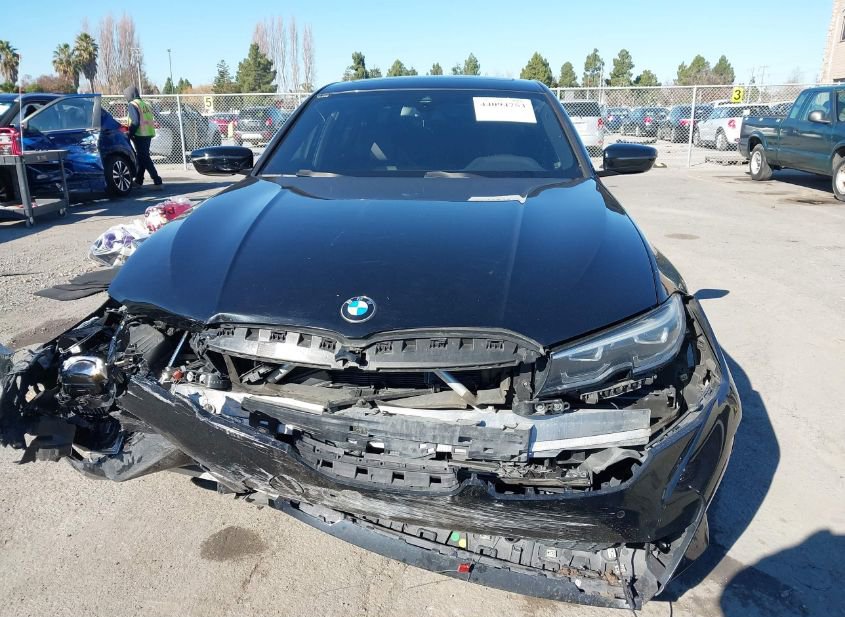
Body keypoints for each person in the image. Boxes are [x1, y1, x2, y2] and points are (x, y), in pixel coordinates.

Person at [123, 85, 162, 188]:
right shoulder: (145, 104)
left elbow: (135, 122)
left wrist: (129, 133)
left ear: (130, 95)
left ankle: (157, 180)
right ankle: (139, 181)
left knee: (144, 158)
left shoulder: (133, 104)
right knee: (141, 158)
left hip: (139, 134)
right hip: (148, 133)